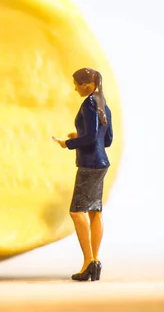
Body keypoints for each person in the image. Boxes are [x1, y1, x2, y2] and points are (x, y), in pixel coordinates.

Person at [52, 67, 113, 282]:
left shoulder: (88, 104)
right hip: (102, 162)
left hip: (89, 164)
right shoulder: (103, 103)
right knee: (95, 211)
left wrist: (68, 143)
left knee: (77, 212)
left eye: (77, 84)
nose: (75, 88)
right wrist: (81, 135)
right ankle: (95, 260)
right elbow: (106, 140)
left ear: (87, 84)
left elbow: (90, 138)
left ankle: (89, 262)